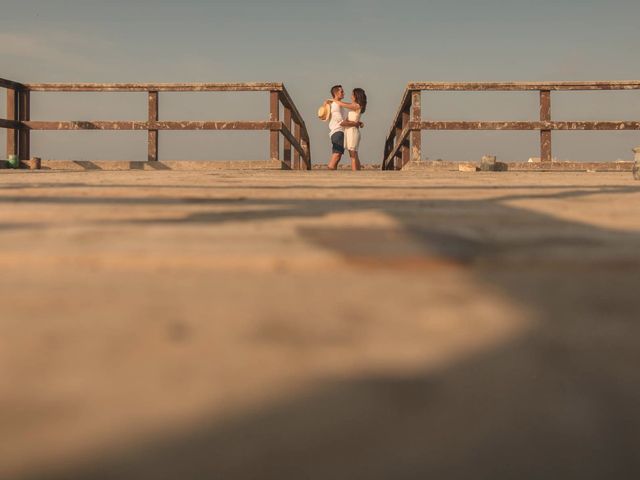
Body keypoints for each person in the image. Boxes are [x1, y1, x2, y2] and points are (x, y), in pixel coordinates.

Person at [323, 85, 364, 171]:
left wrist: (356, 122)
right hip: (338, 131)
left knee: (348, 155)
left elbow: (347, 118)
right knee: (339, 155)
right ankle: (329, 174)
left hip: (346, 132)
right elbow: (342, 122)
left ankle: (357, 175)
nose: (344, 93)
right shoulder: (335, 106)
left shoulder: (344, 105)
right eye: (341, 92)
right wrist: (355, 123)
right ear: (336, 93)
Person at [332, 88, 367, 171]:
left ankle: (355, 174)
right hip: (349, 131)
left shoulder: (357, 105)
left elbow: (343, 104)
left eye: (352, 95)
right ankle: (358, 173)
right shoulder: (354, 107)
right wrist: (357, 123)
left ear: (356, 96)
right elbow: (347, 120)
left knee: (353, 154)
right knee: (353, 154)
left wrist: (333, 100)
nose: (351, 96)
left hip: (353, 131)